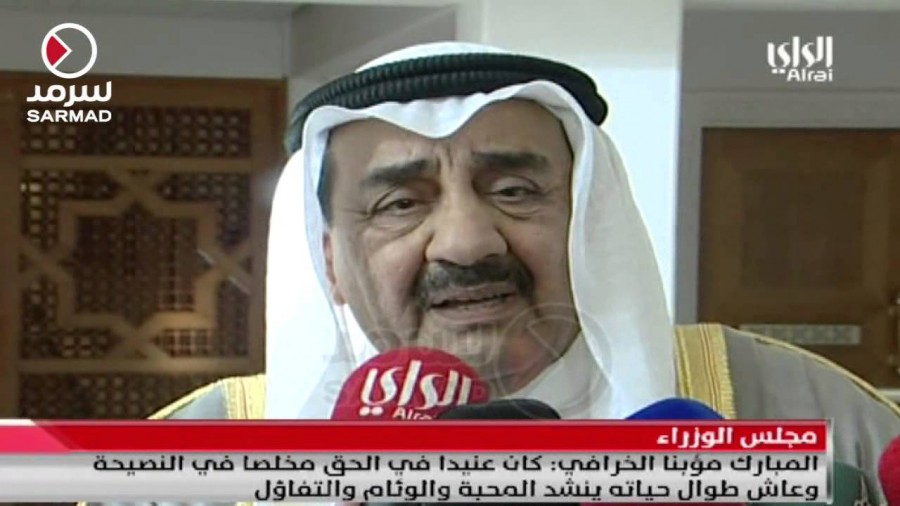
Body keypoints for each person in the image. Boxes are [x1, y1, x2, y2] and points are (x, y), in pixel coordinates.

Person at [136, 42, 900, 502]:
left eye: (514, 191)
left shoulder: (795, 406)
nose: (467, 244)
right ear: (331, 262)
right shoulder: (193, 456)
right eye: (401, 204)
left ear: (590, 226)